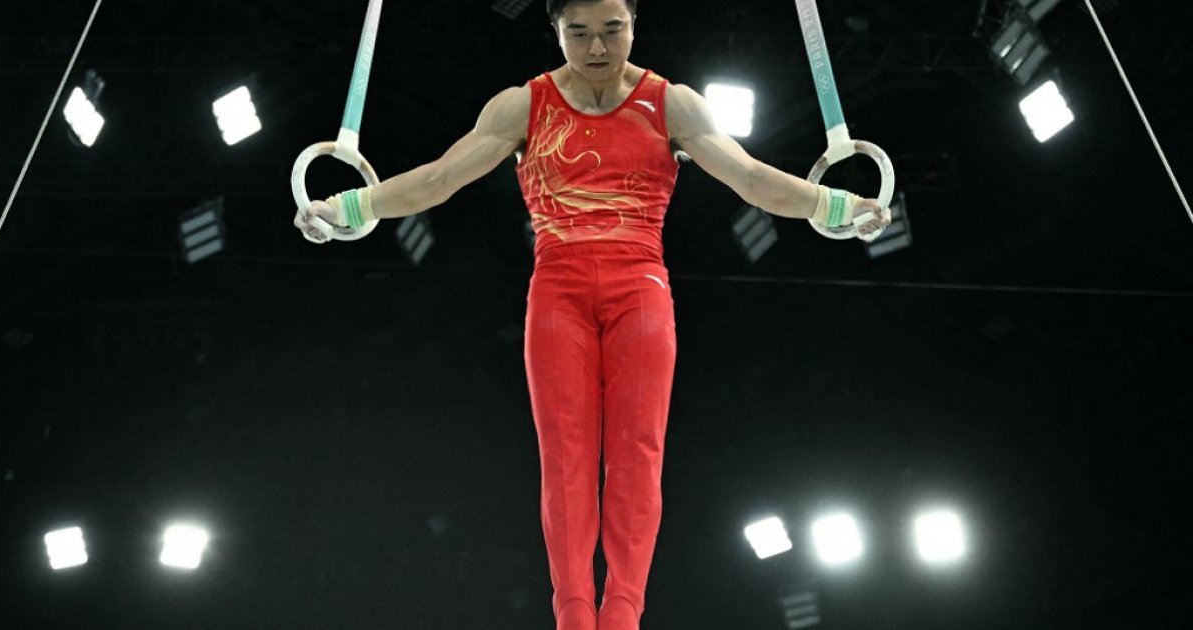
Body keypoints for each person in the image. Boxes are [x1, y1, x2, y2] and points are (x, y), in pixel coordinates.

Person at [294, 1, 888, 628]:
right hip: (558, 293)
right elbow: (439, 179)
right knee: (567, 456)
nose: (597, 48)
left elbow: (749, 178)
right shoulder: (522, 106)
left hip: (641, 290)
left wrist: (837, 206)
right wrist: (349, 208)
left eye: (612, 31)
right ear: (555, 31)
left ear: (635, 24)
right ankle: (575, 615)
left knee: (636, 454)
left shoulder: (672, 104)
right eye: (578, 33)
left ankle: (624, 613)